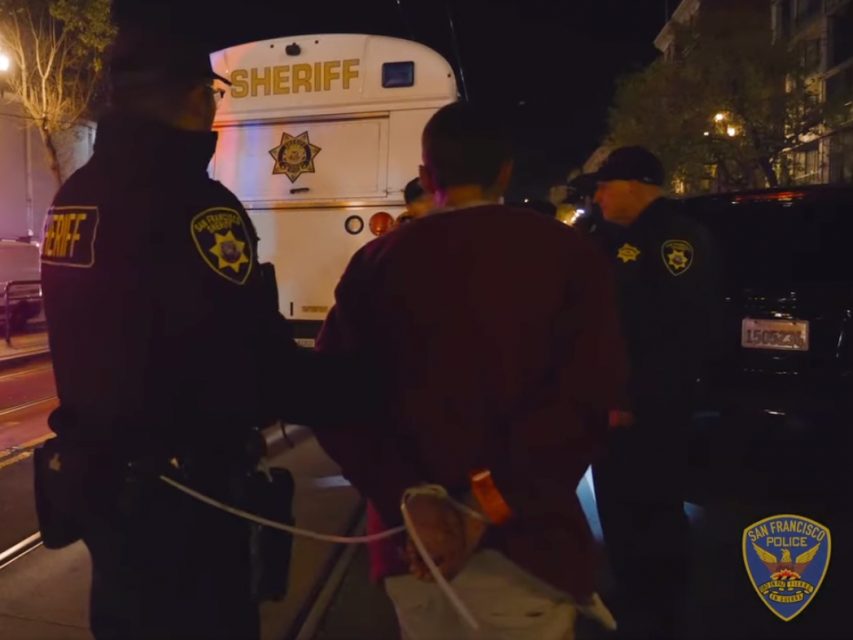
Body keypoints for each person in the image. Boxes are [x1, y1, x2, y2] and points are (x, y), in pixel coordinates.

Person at [38, 30, 376, 640]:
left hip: (101, 490)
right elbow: (253, 367)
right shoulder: (197, 207)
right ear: (197, 97)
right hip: (186, 509)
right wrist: (366, 381)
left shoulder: (74, 198)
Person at [313, 102, 629, 639]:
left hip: (415, 552)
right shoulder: (566, 254)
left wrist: (414, 499)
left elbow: (334, 398)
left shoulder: (377, 263)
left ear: (425, 175)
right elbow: (588, 399)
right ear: (504, 171)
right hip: (527, 555)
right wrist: (481, 509)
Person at [579, 146, 720, 639]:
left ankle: (660, 605)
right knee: (619, 501)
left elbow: (673, 334)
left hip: (648, 407)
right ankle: (634, 591)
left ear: (635, 185)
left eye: (604, 185)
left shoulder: (675, 239)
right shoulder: (613, 237)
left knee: (652, 502)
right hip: (618, 403)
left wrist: (630, 399)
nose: (596, 196)